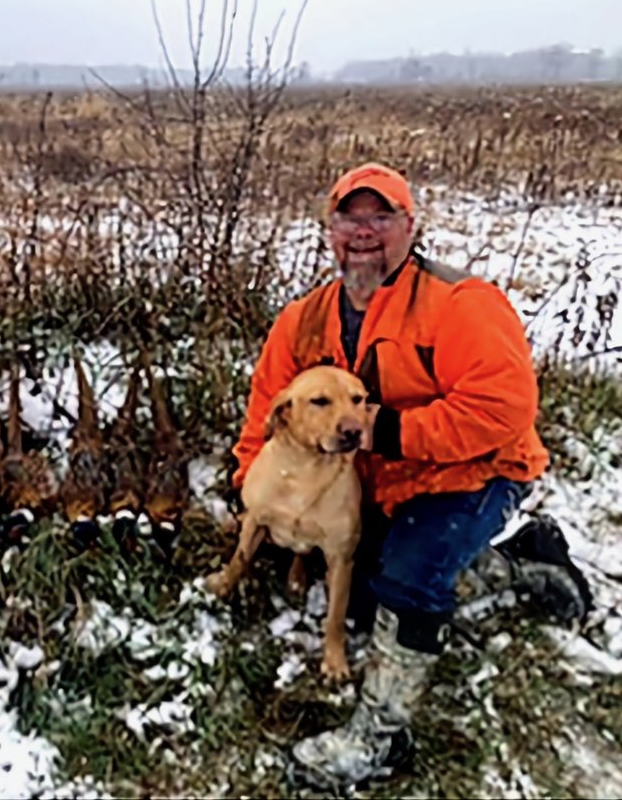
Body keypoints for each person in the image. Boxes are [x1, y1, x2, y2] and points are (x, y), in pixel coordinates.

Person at [230, 163, 587, 790]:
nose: (364, 232)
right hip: (382, 486)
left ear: (410, 227)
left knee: (410, 577)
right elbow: (267, 408)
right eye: (350, 218)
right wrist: (250, 481)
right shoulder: (304, 319)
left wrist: (390, 432)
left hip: (476, 474)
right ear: (330, 230)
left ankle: (379, 739)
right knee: (367, 603)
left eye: (382, 217)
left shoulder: (461, 304)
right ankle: (524, 566)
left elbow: (502, 411)